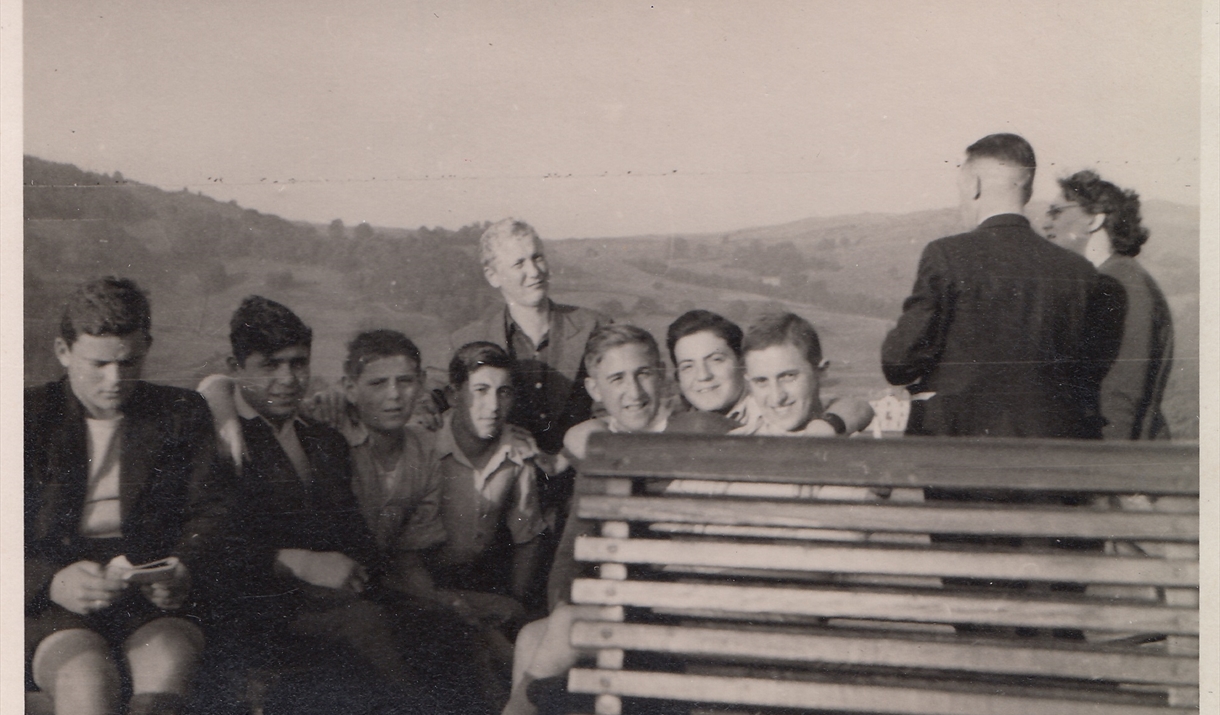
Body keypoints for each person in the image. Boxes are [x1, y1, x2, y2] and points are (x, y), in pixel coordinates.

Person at [200, 296, 419, 712]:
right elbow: (210, 543)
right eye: (270, 365)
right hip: (256, 607)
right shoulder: (216, 435)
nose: (288, 379)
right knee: (368, 628)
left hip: (334, 598)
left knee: (438, 624)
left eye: (299, 363)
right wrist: (297, 561)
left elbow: (354, 533)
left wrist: (359, 569)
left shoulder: (324, 440)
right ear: (235, 368)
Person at [25, 277, 226, 715]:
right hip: (53, 594)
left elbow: (214, 510)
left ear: (147, 347)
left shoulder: (180, 412)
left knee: (169, 660)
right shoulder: (26, 418)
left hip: (148, 591)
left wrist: (184, 566)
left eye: (130, 362)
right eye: (98, 364)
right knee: (88, 678)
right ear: (63, 352)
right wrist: (51, 581)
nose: (115, 380)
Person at [882, 133, 1117, 438]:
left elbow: (899, 364)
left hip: (961, 455)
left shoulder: (947, 256)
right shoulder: (1079, 272)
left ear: (973, 184)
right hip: (1051, 457)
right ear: (1028, 190)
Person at [451, 219, 610, 518]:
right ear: (492, 275)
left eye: (537, 257)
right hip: (503, 506)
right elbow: (436, 405)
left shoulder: (595, 327)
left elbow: (618, 407)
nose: (534, 272)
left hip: (585, 495)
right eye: (519, 263)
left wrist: (570, 453)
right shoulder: (467, 340)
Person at [1042, 170, 1173, 440]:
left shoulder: (1121, 284)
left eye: (1056, 212)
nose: (1045, 223)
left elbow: (1121, 395)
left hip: (1121, 460)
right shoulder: (1113, 278)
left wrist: (1104, 472)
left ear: (1095, 219)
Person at [665, 309, 873, 436]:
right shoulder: (675, 416)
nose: (703, 376)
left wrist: (829, 425)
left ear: (742, 364)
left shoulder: (769, 409)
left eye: (716, 360)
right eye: (688, 366)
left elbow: (853, 406)